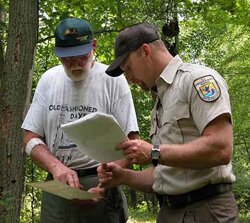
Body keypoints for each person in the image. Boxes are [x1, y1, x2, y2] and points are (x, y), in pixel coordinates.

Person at [98, 23, 238, 223]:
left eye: (128, 68)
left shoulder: (197, 80)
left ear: (145, 51)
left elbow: (221, 148)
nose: (128, 78)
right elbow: (165, 174)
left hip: (206, 210)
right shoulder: (160, 101)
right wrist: (123, 177)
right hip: (169, 212)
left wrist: (154, 152)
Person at [21, 17, 139, 223]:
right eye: (66, 58)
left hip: (104, 180)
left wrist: (104, 183)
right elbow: (30, 137)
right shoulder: (49, 80)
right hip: (58, 184)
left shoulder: (113, 79)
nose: (74, 64)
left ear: (93, 46)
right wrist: (56, 167)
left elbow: (133, 143)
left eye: (80, 56)